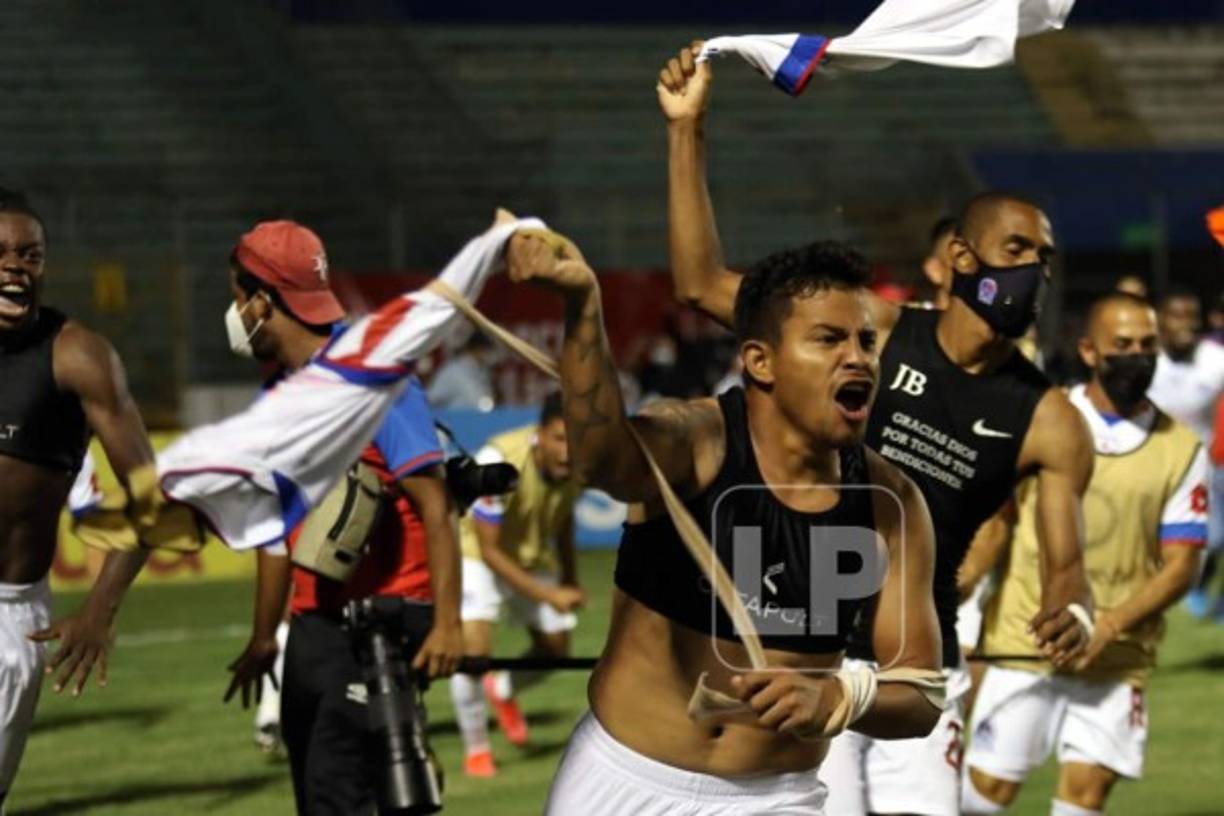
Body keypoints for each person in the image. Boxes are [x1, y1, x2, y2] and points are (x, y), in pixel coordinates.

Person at [658, 45, 1093, 816]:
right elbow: (700, 284)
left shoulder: (1051, 418)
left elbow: (1067, 565)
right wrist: (686, 131)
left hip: (909, 674)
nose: (1035, 273)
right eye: (1017, 251)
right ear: (959, 257)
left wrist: (1074, 606)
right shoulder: (874, 333)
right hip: (797, 649)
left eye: (1046, 259)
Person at [508, 226, 944, 814]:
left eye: (867, 341)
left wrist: (840, 696)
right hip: (622, 780)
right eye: (829, 338)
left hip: (777, 797)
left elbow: (920, 696)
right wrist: (584, 306)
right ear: (760, 361)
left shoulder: (891, 504)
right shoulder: (696, 441)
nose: (858, 356)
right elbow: (603, 463)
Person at [216, 220, 463, 815]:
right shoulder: (276, 395)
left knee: (355, 800)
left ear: (261, 301)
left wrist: (449, 624)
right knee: (319, 798)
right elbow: (276, 535)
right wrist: (261, 638)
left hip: (379, 629)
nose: (232, 310)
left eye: (235, 295)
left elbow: (436, 505)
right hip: (312, 632)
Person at [963, 292, 1208, 815]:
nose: (1137, 356)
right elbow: (995, 521)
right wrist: (958, 596)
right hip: (1025, 640)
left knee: (1085, 796)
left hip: (1116, 653)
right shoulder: (1039, 420)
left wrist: (1110, 625)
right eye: (1122, 345)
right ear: (1090, 351)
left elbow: (1183, 564)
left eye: (1147, 344)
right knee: (985, 796)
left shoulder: (1181, 447)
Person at [0, 188, 160, 808]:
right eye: (3, 253)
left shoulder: (76, 356)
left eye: (31, 255)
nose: (16, 266)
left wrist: (100, 610)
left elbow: (150, 499)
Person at [448, 391, 584, 777]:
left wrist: (570, 577)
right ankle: (477, 749)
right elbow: (490, 552)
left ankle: (503, 690)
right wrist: (550, 594)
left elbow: (565, 520)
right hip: (476, 555)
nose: (567, 452)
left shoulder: (579, 463)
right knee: (473, 654)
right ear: (539, 434)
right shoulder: (500, 462)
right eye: (559, 438)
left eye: (574, 439)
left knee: (556, 649)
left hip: (529, 555)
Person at [1147, 286, 1224, 619]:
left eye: (1192, 317)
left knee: (1214, 540)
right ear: (1159, 321)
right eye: (1176, 316)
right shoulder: (1143, 359)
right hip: (1147, 467)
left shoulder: (1215, 360)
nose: (1186, 325)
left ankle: (1203, 593)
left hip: (1204, 468)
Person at [427, 330, 496, 410]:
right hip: (453, 420)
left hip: (480, 419)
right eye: (486, 350)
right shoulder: (453, 370)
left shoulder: (483, 371)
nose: (489, 354)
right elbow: (431, 398)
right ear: (477, 349)